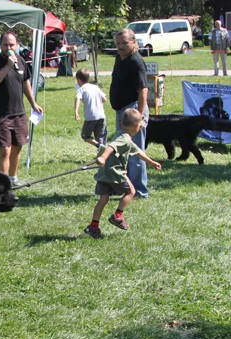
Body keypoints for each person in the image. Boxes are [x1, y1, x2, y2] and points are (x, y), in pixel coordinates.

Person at [84, 108, 162, 239]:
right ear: (137, 126)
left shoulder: (121, 135)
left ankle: (93, 226)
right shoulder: (124, 139)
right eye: (140, 125)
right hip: (115, 173)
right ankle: (118, 216)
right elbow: (111, 147)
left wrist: (151, 162)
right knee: (131, 192)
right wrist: (103, 157)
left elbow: (137, 151)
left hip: (104, 173)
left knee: (103, 200)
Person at [0, 31, 43, 188]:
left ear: (17, 45)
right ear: (0, 46)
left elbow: (25, 82)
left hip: (19, 113)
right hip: (1, 114)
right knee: (5, 150)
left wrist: (33, 103)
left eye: (11, 45)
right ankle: (3, 184)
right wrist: (8, 66)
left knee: (17, 147)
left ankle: (13, 179)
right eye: (5, 45)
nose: (8, 48)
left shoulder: (21, 61)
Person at [109, 28, 149, 198]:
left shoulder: (136, 62)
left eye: (124, 43)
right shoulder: (120, 57)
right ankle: (125, 187)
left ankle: (140, 191)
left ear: (134, 42)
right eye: (118, 43)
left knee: (135, 153)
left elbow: (143, 91)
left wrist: (139, 117)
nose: (120, 46)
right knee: (122, 150)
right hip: (122, 111)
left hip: (133, 111)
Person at [74, 68, 107, 147]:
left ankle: (98, 145)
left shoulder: (81, 89)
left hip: (91, 117)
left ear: (79, 80)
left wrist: (76, 111)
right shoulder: (95, 87)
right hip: (101, 115)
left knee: (85, 135)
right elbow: (104, 99)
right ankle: (103, 151)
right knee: (101, 137)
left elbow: (77, 98)